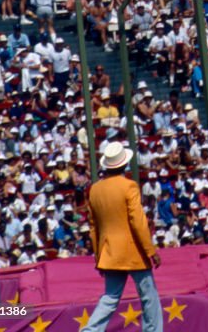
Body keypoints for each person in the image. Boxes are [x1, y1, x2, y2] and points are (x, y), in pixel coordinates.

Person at [84, 141, 162, 332]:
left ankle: (90, 330)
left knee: (110, 297)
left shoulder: (95, 190)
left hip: (109, 252)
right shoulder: (129, 186)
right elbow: (137, 221)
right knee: (148, 295)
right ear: (124, 164)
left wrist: (98, 256)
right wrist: (150, 250)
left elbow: (94, 228)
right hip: (133, 250)